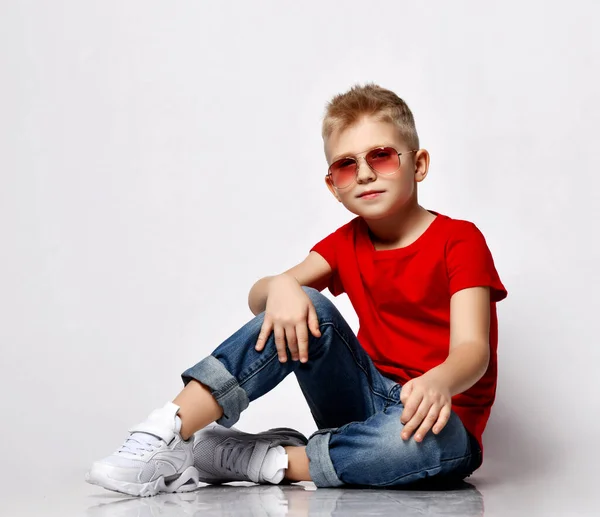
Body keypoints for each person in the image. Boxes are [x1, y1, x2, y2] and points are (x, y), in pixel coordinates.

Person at [86, 83, 508, 497]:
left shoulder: (460, 239)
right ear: (334, 186)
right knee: (302, 302)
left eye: (381, 157)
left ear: (418, 165)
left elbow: (473, 350)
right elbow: (259, 298)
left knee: (434, 442)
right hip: (364, 397)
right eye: (347, 165)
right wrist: (284, 285)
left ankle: (271, 460)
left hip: (439, 417)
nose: (364, 173)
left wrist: (439, 382)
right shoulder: (346, 243)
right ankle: (168, 433)